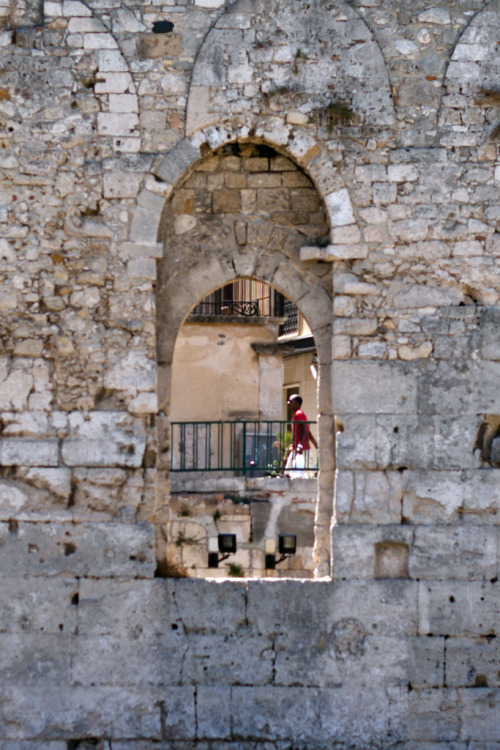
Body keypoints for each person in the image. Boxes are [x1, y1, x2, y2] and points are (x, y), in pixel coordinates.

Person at [285, 394, 318, 475]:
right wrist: (315, 444)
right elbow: (308, 432)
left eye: (290, 401)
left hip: (303, 449)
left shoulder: (299, 414)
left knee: (314, 472)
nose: (288, 402)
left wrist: (300, 445)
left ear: (297, 403)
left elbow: (303, 429)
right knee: (287, 472)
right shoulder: (297, 414)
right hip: (298, 448)